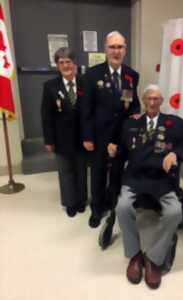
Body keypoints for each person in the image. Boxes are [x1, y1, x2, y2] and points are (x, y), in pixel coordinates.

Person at [108, 84, 183, 289]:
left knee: (174, 212)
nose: (152, 102)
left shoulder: (176, 124)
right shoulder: (130, 123)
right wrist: (113, 150)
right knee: (122, 207)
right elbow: (122, 152)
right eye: (149, 99)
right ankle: (135, 255)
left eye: (156, 99)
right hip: (135, 178)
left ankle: (153, 258)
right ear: (143, 101)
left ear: (161, 101)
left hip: (163, 180)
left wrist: (175, 154)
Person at [81, 31, 140, 228]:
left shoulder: (131, 76)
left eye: (120, 47)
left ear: (125, 49)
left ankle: (113, 205)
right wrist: (87, 136)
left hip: (120, 137)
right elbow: (86, 109)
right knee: (98, 174)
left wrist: (134, 129)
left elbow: (132, 106)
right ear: (106, 49)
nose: (116, 51)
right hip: (99, 137)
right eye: (112, 47)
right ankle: (97, 209)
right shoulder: (92, 74)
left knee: (116, 174)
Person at [41, 47, 87, 217]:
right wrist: (48, 140)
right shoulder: (50, 86)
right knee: (66, 172)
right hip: (61, 139)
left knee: (81, 171)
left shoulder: (84, 82)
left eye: (68, 61)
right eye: (61, 62)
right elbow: (46, 115)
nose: (66, 65)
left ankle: (81, 199)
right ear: (57, 65)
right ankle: (70, 202)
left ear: (74, 63)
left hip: (82, 138)